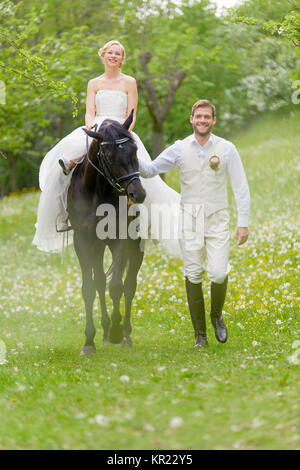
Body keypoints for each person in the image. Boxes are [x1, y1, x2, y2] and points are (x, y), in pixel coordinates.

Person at [32, 40, 182, 257]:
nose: (113, 56)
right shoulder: (94, 83)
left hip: (121, 131)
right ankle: (63, 213)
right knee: (65, 160)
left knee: (140, 169)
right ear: (103, 56)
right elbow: (90, 111)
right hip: (98, 126)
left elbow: (132, 113)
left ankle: (144, 217)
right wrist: (90, 127)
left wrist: (123, 133)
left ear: (122, 59)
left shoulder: (130, 82)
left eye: (118, 53)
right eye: (110, 52)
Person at [138, 99, 250, 347]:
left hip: (217, 218)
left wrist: (243, 222)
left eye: (207, 117)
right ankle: (200, 335)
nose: (202, 120)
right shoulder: (178, 148)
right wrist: (129, 147)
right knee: (194, 273)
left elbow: (241, 186)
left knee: (219, 272)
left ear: (213, 120)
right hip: (189, 220)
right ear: (192, 119)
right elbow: (149, 170)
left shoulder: (227, 148)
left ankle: (216, 316)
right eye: (198, 116)